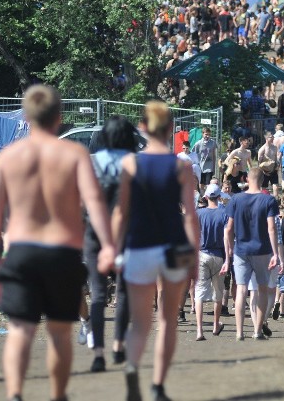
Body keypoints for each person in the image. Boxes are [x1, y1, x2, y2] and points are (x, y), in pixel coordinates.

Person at [0, 85, 116, 401]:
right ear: (59, 117)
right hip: (62, 252)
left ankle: (15, 394)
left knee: (20, 329)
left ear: (26, 117)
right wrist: (109, 245)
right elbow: (95, 203)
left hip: (20, 252)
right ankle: (58, 395)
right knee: (59, 332)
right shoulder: (74, 154)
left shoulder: (9, 157)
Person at [111, 100, 200, 401]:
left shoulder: (130, 165)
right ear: (171, 128)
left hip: (139, 249)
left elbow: (120, 214)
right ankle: (158, 386)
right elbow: (190, 215)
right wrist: (195, 258)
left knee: (140, 322)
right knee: (167, 320)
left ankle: (133, 367)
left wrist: (112, 249)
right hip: (173, 250)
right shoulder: (181, 166)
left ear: (143, 128)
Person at [83, 116, 137, 373]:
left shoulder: (93, 163)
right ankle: (118, 345)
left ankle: (98, 353)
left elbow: (86, 201)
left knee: (98, 294)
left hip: (95, 234)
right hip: (126, 234)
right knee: (124, 292)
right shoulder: (134, 162)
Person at [221, 168, 280, 340]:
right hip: (262, 250)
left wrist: (230, 250)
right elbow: (272, 228)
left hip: (241, 250)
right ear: (263, 180)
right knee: (261, 290)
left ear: (246, 179)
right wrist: (275, 253)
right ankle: (257, 331)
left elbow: (228, 229)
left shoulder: (236, 199)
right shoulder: (269, 200)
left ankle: (239, 332)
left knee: (241, 290)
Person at [195, 184, 227, 341]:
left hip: (202, 254)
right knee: (218, 292)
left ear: (206, 197)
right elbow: (228, 237)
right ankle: (215, 325)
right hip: (219, 255)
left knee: (199, 292)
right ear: (219, 196)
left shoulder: (199, 214)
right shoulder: (225, 213)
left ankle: (200, 330)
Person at [192, 127, 218, 192]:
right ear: (202, 134)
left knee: (208, 184)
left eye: (209, 134)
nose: (207, 136)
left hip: (209, 166)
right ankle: (202, 196)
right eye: (206, 134)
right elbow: (193, 153)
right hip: (200, 167)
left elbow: (214, 155)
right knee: (201, 184)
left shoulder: (212, 143)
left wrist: (214, 166)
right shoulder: (198, 143)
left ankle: (207, 197)